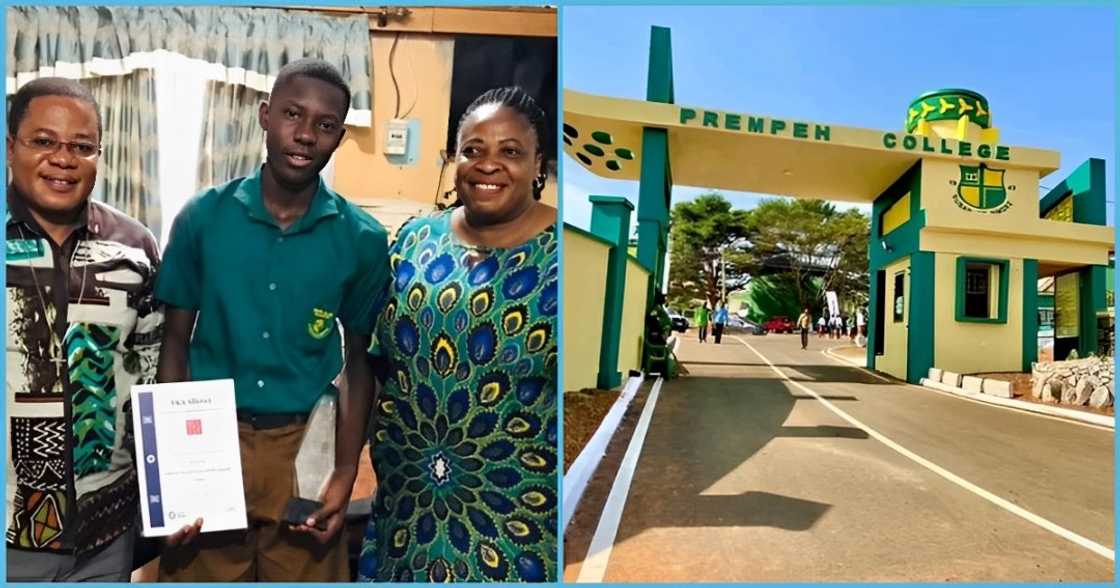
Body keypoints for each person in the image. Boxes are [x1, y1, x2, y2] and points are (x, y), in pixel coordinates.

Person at [154, 59, 390, 581]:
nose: (305, 134)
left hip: (305, 447)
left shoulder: (362, 240)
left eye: (325, 125)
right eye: (291, 114)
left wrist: (346, 471)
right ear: (265, 116)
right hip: (211, 441)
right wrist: (175, 465)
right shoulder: (203, 219)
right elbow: (175, 343)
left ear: (339, 136)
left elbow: (358, 364)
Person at [357, 87, 557, 582]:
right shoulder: (413, 240)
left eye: (510, 151)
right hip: (403, 516)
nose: (488, 165)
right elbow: (376, 363)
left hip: (514, 525)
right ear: (454, 160)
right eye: (473, 150)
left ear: (540, 166)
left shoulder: (561, 256)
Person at [5, 78, 162, 581]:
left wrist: (171, 494)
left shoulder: (134, 248)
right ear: (11, 147)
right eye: (43, 141)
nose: (63, 159)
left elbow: (154, 379)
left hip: (103, 537)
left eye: (82, 146)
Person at [644, 292, 674, 375]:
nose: (665, 300)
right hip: (659, 332)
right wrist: (658, 329)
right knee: (661, 348)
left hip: (663, 332)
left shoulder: (660, 308)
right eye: (664, 299)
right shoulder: (657, 308)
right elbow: (651, 316)